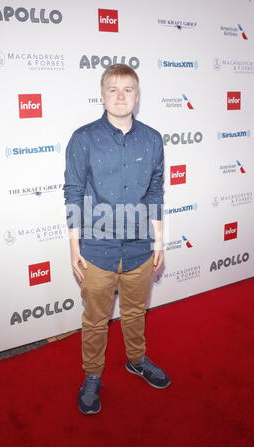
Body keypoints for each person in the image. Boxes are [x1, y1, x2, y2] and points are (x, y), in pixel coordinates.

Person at [63, 64, 171, 415]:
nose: (121, 96)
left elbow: (156, 191)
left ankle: (136, 360)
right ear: (102, 94)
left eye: (128, 89)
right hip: (96, 249)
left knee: (136, 311)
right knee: (95, 320)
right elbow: (74, 192)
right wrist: (74, 247)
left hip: (140, 246)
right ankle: (92, 375)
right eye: (113, 89)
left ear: (137, 96)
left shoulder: (153, 138)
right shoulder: (83, 138)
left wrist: (158, 242)